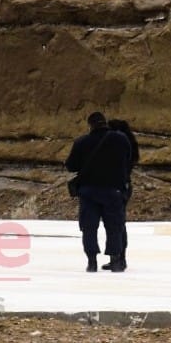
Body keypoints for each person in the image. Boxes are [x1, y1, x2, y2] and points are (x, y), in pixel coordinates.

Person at [65, 111, 132, 273]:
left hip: (89, 192)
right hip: (113, 190)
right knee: (114, 226)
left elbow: (71, 166)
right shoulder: (121, 139)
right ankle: (115, 261)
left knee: (89, 227)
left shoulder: (81, 142)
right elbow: (128, 160)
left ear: (90, 125)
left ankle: (92, 262)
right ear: (105, 122)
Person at [106, 119, 140, 270]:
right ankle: (120, 257)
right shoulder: (130, 144)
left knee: (114, 223)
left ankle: (117, 258)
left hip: (115, 187)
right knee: (119, 223)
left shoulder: (117, 143)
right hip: (125, 186)